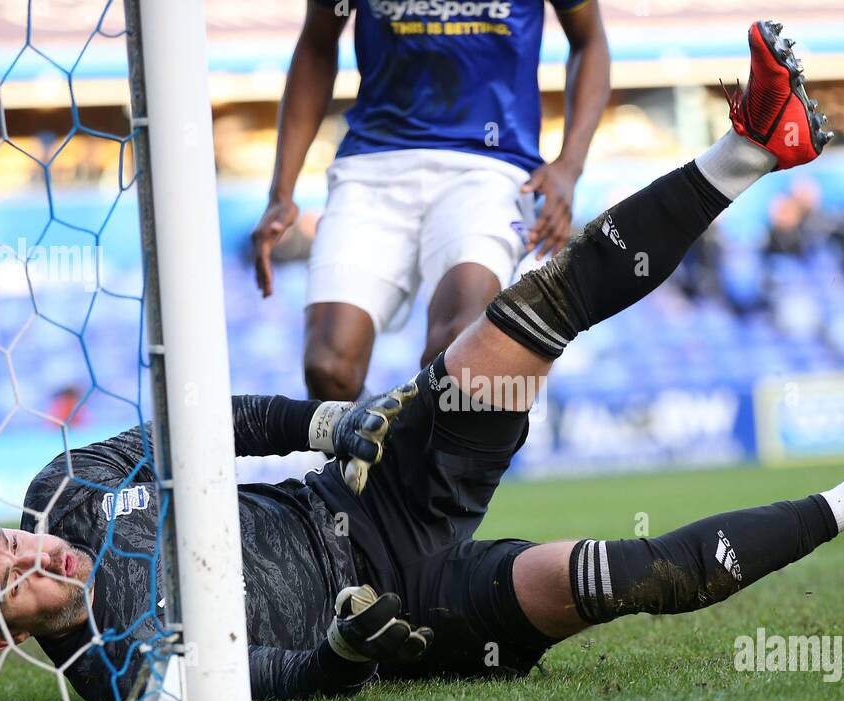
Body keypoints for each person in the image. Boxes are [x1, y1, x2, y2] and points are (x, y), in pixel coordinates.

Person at [0, 22, 844, 701]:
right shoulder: (109, 671)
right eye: (16, 584)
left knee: (528, 315)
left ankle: (750, 144)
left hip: (371, 488)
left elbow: (192, 430)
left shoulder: (64, 498)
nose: (35, 558)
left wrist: (324, 427)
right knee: (636, 579)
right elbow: (269, 679)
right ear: (5, 641)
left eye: (9, 543)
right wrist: (351, 650)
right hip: (418, 602)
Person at [250, 0, 611, 401]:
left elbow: (589, 40)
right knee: (327, 370)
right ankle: (390, 457)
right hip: (373, 163)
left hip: (488, 167)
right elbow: (316, 45)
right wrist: (281, 192)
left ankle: (409, 456)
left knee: (455, 355)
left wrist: (569, 166)